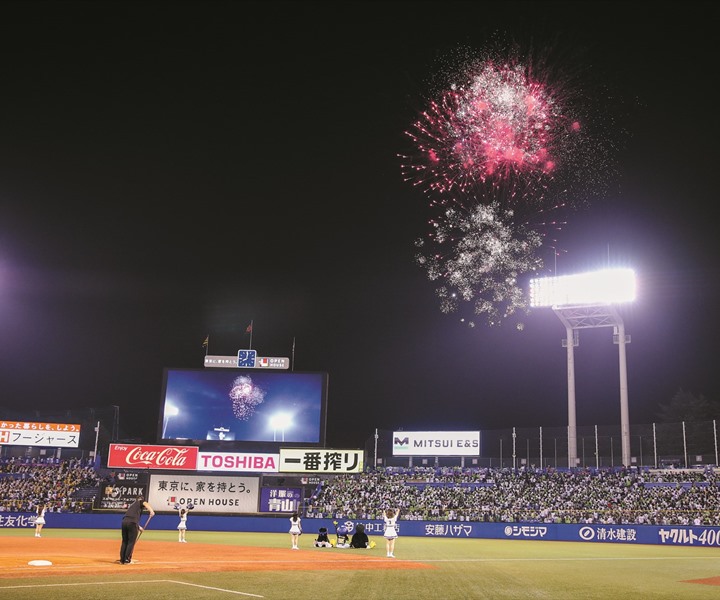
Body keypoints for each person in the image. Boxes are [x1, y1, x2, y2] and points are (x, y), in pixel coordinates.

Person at [119, 494, 154, 564]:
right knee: (131, 542)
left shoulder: (132, 505)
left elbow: (130, 518)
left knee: (125, 541)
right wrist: (151, 511)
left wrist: (138, 527)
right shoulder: (140, 501)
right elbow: (145, 503)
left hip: (124, 522)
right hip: (132, 523)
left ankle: (122, 559)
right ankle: (127, 560)